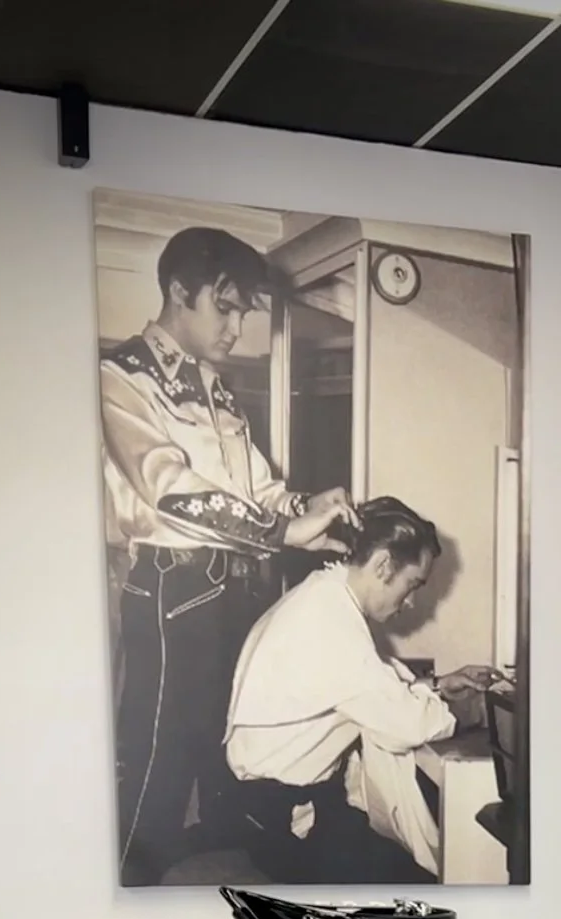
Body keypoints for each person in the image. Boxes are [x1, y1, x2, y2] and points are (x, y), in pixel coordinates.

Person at [100, 225, 358, 885]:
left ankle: (209, 884)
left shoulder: (214, 386)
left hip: (232, 592)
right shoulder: (121, 378)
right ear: (180, 290)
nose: (237, 325)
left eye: (244, 309)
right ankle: (129, 890)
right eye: (227, 305)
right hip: (171, 590)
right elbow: (171, 492)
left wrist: (305, 508)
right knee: (158, 756)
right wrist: (279, 534)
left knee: (222, 747)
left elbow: (257, 487)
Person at [225, 497, 457, 883]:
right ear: (383, 565)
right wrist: (470, 711)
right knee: (420, 884)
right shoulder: (331, 622)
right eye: (412, 584)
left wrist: (437, 686)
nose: (412, 601)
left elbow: (373, 681)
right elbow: (409, 726)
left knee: (407, 855)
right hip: (278, 820)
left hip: (276, 804)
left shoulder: (324, 593)